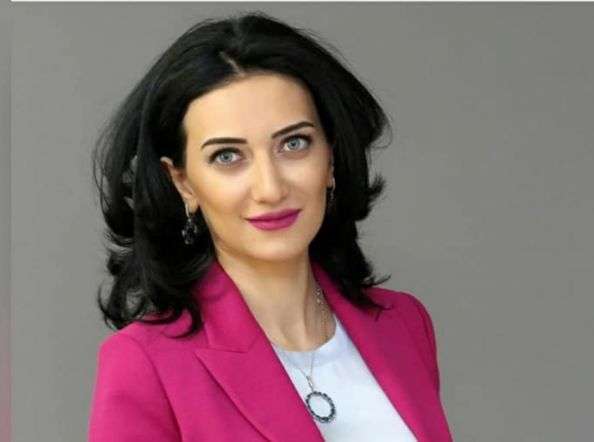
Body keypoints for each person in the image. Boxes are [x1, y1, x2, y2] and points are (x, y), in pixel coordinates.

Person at [87, 11, 452, 442]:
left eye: (294, 143)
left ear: (330, 158)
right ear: (183, 182)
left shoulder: (403, 323)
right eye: (228, 156)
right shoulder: (146, 363)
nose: (270, 188)